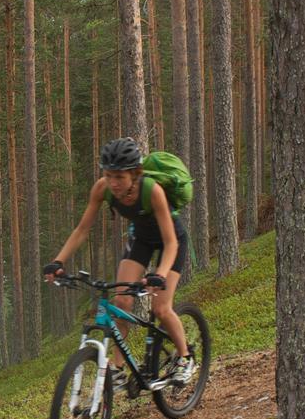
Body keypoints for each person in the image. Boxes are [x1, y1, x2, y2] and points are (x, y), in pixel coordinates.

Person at [42, 137, 193, 388]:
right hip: (141, 240)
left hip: (171, 241)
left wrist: (160, 274)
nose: (114, 183)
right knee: (121, 301)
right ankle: (117, 369)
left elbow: (170, 243)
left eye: (120, 177)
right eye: (109, 175)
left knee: (160, 309)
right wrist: (58, 261)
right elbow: (82, 229)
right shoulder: (102, 189)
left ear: (135, 174)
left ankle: (185, 358)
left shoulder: (151, 190)